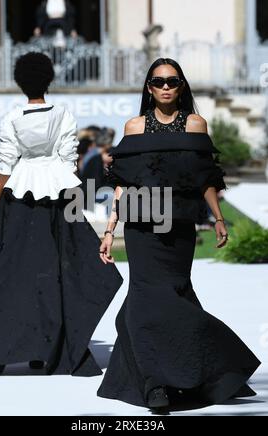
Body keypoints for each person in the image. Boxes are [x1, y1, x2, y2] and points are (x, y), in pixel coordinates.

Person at [97, 58, 261, 413]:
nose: (166, 87)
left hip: (181, 225)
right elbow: (122, 183)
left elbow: (206, 177)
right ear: (149, 87)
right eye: (158, 81)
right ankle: (156, 384)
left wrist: (218, 218)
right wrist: (110, 230)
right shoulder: (135, 126)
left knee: (175, 296)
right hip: (141, 224)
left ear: (182, 86)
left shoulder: (196, 124)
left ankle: (218, 370)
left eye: (173, 81)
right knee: (143, 300)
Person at [0, 52, 123, 377]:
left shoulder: (13, 117)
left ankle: (0, 352)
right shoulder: (63, 114)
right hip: (56, 200)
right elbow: (68, 162)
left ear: (20, 81)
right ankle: (51, 351)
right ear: (49, 80)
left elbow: (7, 165)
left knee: (13, 277)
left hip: (20, 199)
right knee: (56, 274)